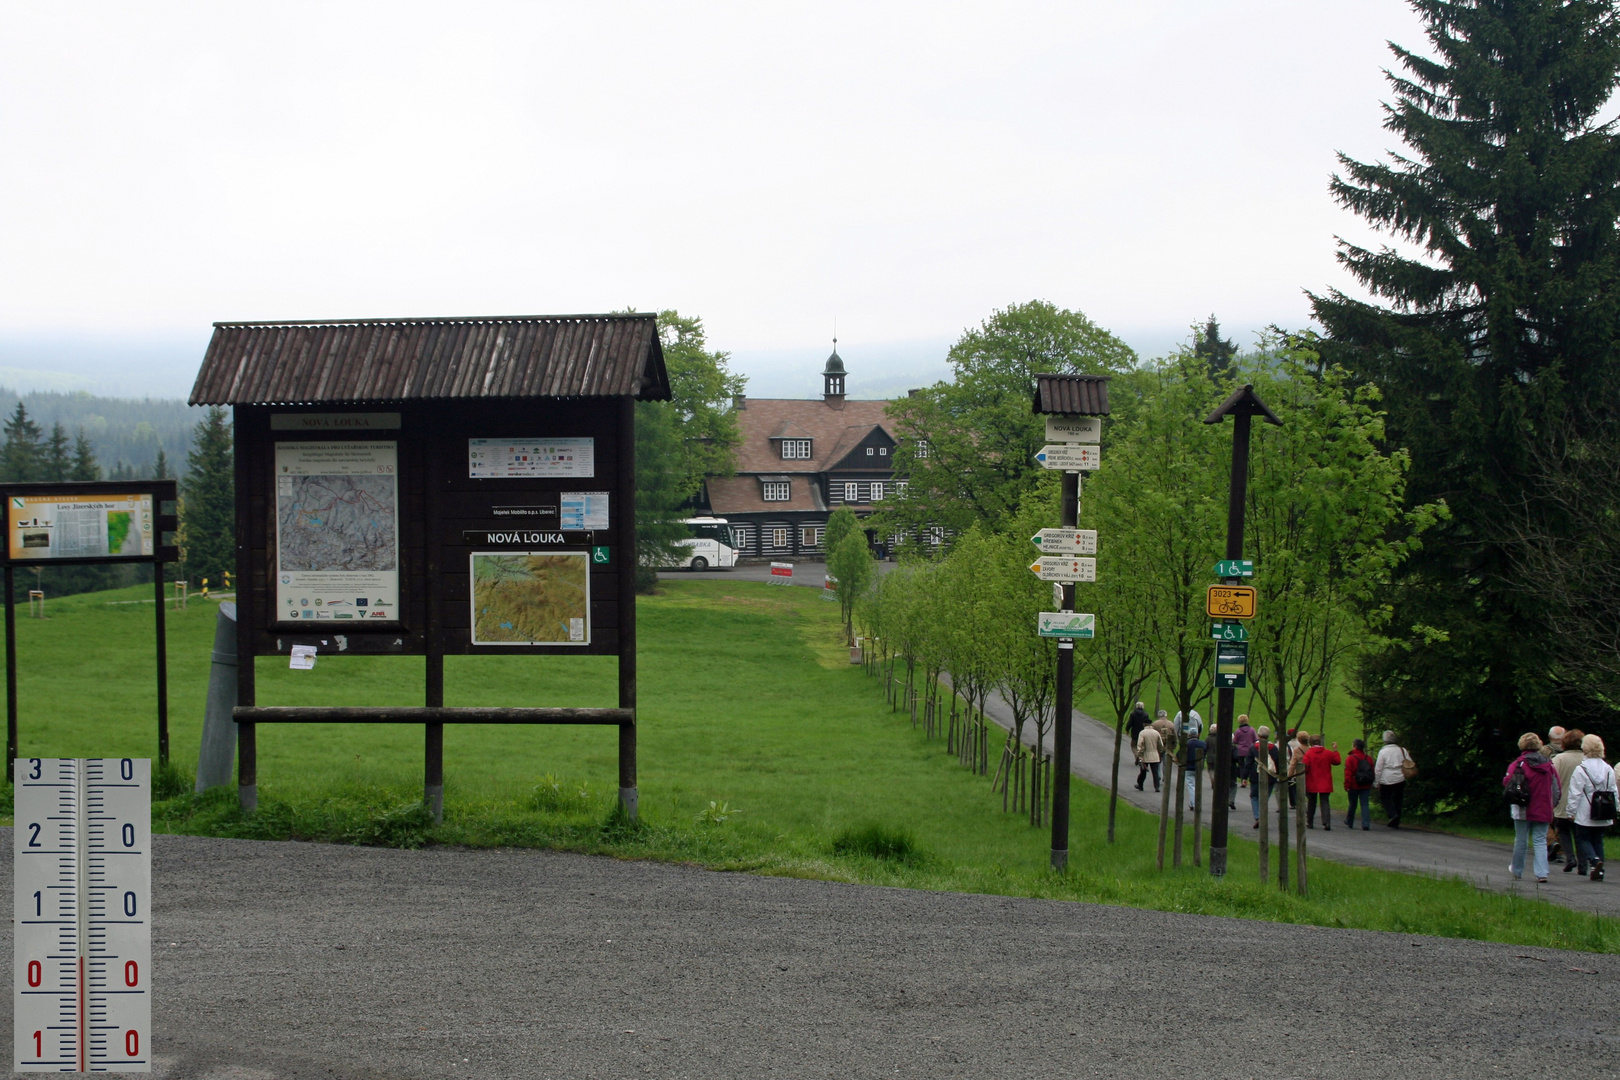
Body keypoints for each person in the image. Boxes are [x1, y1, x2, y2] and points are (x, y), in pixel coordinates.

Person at [1504, 732, 1560, 883]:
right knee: (1540, 840)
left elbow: (1507, 783)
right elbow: (1556, 788)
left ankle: (1517, 870)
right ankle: (1542, 873)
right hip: (1543, 807)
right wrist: (1552, 804)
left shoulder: (1518, 764)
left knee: (1521, 840)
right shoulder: (1548, 765)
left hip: (1522, 806)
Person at [1566, 734, 1616, 882]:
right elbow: (1613, 791)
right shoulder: (1608, 768)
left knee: (1582, 838)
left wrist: (1570, 811)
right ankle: (1599, 871)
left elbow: (1575, 792)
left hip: (1586, 809)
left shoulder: (1581, 769)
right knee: (1598, 840)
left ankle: (1594, 861)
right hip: (1603, 810)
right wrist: (1616, 809)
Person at [1552, 729, 1586, 872]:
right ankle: (1583, 864)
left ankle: (1570, 857)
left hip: (1563, 801)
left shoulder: (1559, 759)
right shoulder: (1586, 759)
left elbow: (1552, 779)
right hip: (1582, 802)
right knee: (1580, 833)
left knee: (1563, 831)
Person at [1303, 735, 1341, 830]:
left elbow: (1305, 767)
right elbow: (1337, 761)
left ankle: (1310, 822)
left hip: (1312, 780)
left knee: (1311, 802)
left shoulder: (1309, 754)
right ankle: (1326, 822)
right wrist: (1335, 750)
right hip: (1325, 781)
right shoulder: (1327, 753)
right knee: (1325, 802)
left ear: (1311, 743)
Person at [1374, 730, 1410, 828]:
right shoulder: (1402, 750)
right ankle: (1397, 820)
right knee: (1398, 799)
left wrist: (1377, 782)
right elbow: (1409, 762)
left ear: (1384, 740)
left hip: (1387, 778)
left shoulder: (1383, 752)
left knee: (1385, 797)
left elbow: (1378, 768)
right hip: (1400, 778)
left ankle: (1392, 814)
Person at [1250, 725, 1284, 828]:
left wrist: (1244, 776)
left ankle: (1257, 816)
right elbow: (1278, 762)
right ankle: (1262, 817)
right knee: (1264, 798)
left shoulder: (1253, 747)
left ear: (1258, 735)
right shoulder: (1274, 748)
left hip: (1255, 776)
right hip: (1270, 776)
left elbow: (1248, 763)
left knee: (1254, 796)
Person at [1546, 725, 1569, 861]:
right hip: (1564, 792)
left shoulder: (1544, 751)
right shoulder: (1569, 753)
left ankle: (1551, 842)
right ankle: (1559, 850)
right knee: (1560, 822)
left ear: (1550, 737)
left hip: (1548, 790)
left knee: (1545, 821)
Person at [1343, 738, 1375, 830]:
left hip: (1354, 784)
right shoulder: (1368, 758)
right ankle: (1365, 824)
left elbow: (1348, 773)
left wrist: (1347, 785)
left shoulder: (1350, 758)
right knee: (1365, 804)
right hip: (1366, 784)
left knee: (1353, 803)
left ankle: (1350, 821)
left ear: (1354, 746)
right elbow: (1372, 771)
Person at [1135, 721, 1163, 792]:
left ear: (1144, 724)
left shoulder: (1142, 733)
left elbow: (1140, 745)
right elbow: (1160, 745)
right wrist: (1159, 751)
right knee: (1155, 772)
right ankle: (1157, 787)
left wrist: (1139, 755)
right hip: (1155, 755)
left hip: (1145, 755)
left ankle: (1140, 785)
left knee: (1143, 772)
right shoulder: (1156, 733)